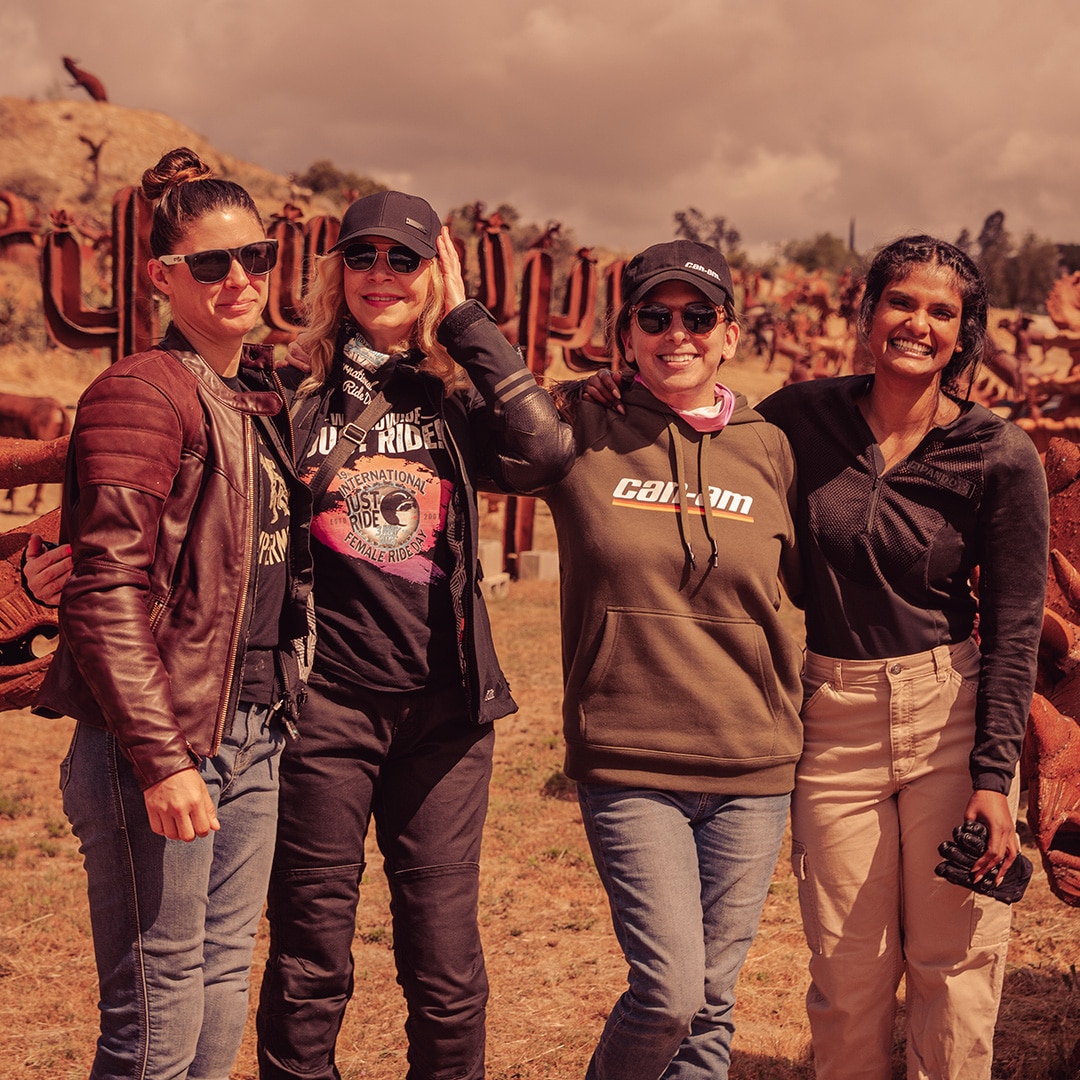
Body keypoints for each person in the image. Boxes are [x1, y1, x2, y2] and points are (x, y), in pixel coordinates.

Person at [253, 190, 575, 1080]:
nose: (381, 275)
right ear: (337, 273)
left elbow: (547, 456)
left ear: (432, 273)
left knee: (443, 962)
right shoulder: (294, 389)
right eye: (362, 257)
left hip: (445, 713)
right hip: (326, 708)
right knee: (310, 951)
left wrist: (466, 320)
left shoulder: (459, 399)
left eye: (403, 258)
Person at [31, 147, 314, 1079]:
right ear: (162, 276)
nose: (240, 279)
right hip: (165, 741)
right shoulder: (141, 391)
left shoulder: (250, 396)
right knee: (155, 1001)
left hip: (252, 728)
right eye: (211, 263)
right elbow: (104, 588)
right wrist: (160, 759)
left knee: (221, 972)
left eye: (256, 258)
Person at [756, 236, 1049, 1079]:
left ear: (964, 334)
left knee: (952, 968)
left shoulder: (998, 454)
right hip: (831, 718)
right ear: (867, 312)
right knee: (848, 978)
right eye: (901, 302)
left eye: (941, 311)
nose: (917, 323)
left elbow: (1015, 623)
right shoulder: (796, 420)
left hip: (948, 716)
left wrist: (995, 780)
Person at [549, 239, 804, 1079]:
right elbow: (486, 421)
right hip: (631, 756)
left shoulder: (771, 445)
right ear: (626, 334)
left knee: (712, 1008)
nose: (677, 334)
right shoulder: (583, 423)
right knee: (668, 994)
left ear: (730, 333)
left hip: (753, 764)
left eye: (699, 317)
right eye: (654, 317)